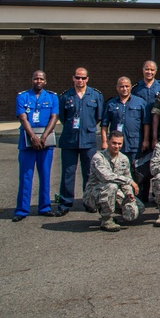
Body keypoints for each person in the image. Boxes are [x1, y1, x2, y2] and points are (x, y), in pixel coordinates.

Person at [13, 70, 60, 221]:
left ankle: (44, 207)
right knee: (26, 176)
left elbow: (54, 117)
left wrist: (43, 137)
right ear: (32, 80)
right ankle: (21, 210)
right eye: (35, 78)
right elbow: (22, 117)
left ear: (45, 81)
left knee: (45, 175)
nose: (38, 81)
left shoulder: (52, 97)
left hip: (46, 141)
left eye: (41, 79)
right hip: (27, 141)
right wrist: (33, 137)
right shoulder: (22, 96)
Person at [57, 67, 104, 215]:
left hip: (88, 140)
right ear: (73, 78)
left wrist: (87, 127)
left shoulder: (95, 95)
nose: (80, 80)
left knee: (89, 173)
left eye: (83, 78)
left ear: (87, 79)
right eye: (78, 77)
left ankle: (89, 201)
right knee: (67, 172)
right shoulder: (66, 96)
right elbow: (63, 118)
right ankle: (65, 202)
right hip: (70, 139)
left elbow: (98, 117)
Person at [83, 131, 142, 232]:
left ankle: (110, 211)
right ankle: (106, 220)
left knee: (138, 209)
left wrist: (129, 194)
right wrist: (129, 181)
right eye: (114, 143)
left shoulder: (124, 159)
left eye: (119, 144)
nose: (117, 146)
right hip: (94, 194)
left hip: (114, 192)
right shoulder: (98, 157)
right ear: (108, 141)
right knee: (112, 186)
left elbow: (126, 178)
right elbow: (106, 177)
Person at [101, 76, 150, 196]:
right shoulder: (111, 104)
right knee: (117, 170)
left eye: (127, 86)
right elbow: (104, 125)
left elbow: (146, 123)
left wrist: (145, 140)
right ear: (117, 88)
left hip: (135, 143)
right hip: (116, 145)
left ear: (131, 87)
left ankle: (139, 197)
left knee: (136, 171)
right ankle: (119, 197)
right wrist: (104, 141)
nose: (124, 88)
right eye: (121, 86)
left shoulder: (140, 102)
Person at [131, 60, 160, 126]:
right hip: (140, 123)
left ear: (155, 71)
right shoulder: (136, 88)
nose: (149, 72)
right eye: (147, 69)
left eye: (152, 70)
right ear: (143, 70)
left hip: (158, 123)